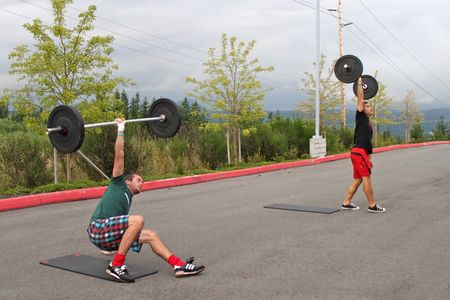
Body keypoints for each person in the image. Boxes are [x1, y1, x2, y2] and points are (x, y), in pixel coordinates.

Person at [87, 118, 205, 283]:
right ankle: (115, 266)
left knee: (151, 235)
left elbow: (121, 226)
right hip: (97, 229)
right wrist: (121, 129)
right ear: (128, 181)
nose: (142, 183)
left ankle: (178, 266)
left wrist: (109, 247)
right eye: (139, 180)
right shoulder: (118, 184)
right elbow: (119, 155)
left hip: (108, 236)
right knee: (138, 220)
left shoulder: (128, 198)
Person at [341, 77, 386, 213]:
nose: (369, 107)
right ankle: (372, 205)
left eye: (369, 105)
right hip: (358, 153)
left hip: (360, 153)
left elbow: (367, 140)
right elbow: (360, 99)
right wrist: (360, 83)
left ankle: (346, 202)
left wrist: (369, 155)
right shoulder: (360, 116)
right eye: (367, 106)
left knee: (358, 179)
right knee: (366, 178)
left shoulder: (368, 123)